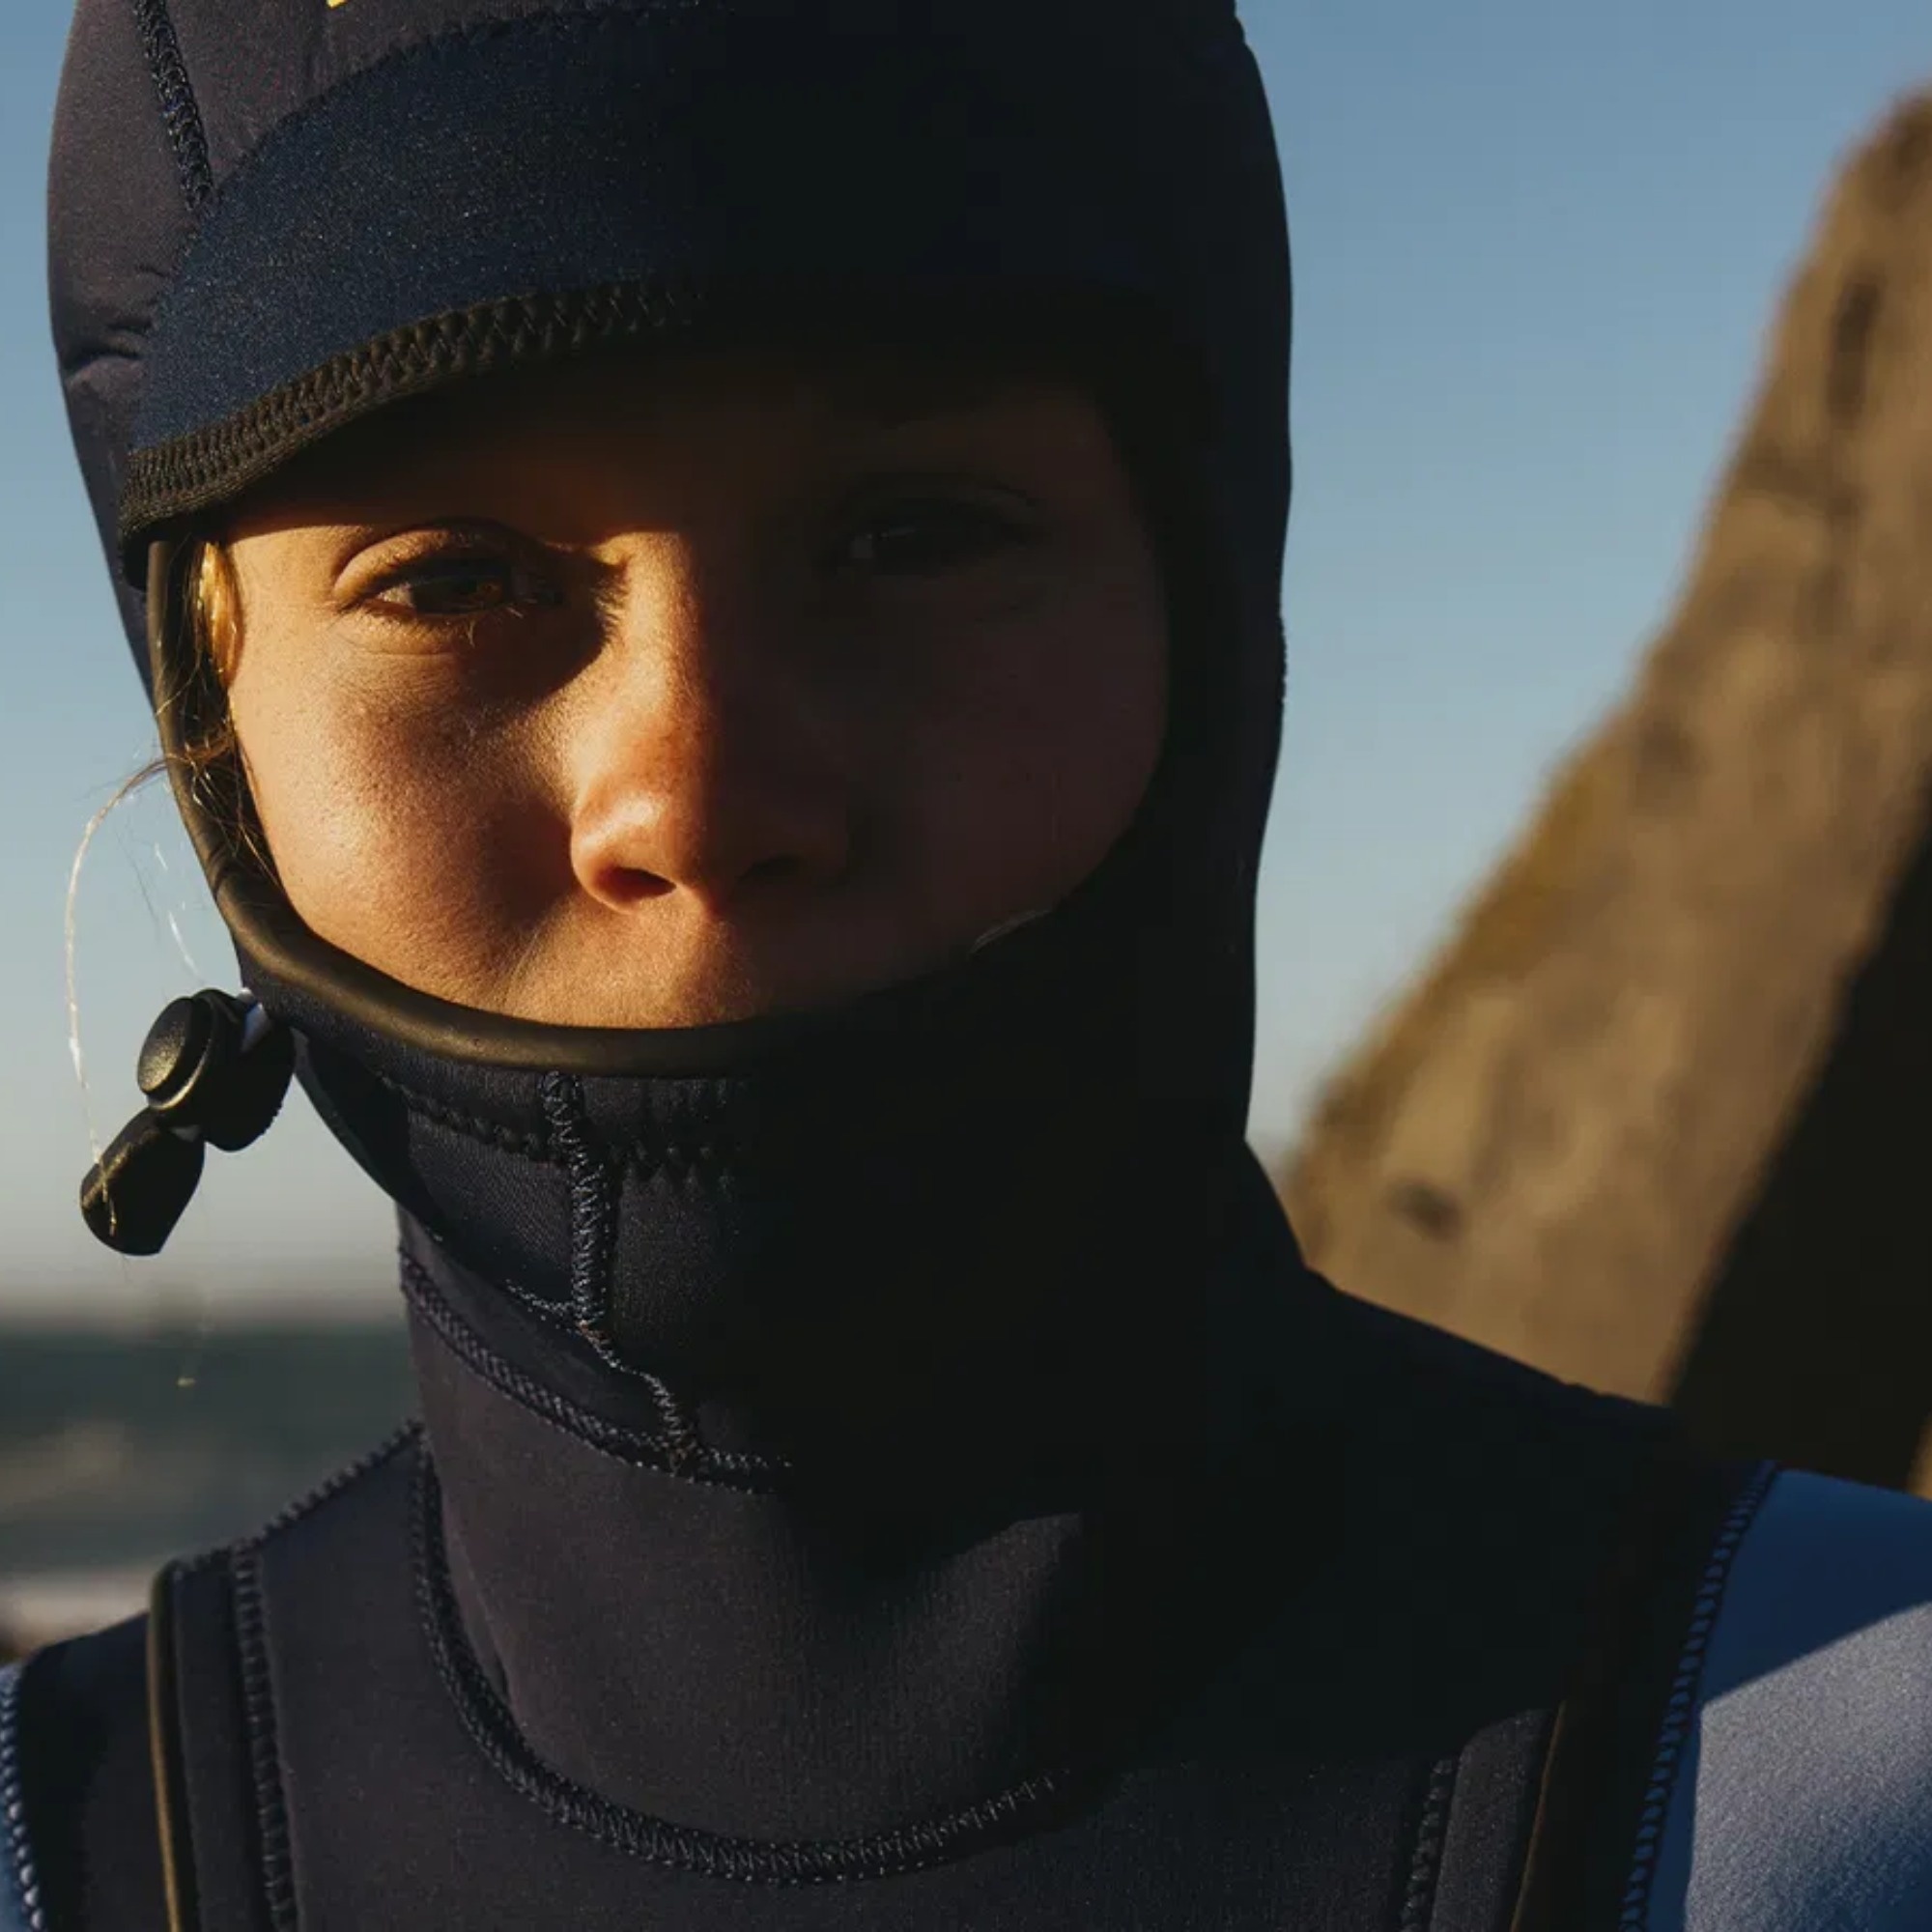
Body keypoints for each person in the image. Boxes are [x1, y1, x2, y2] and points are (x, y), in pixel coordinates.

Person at [7, 2, 1932, 1927]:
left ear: (1206, 602)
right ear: (208, 722)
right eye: (453, 581)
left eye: (911, 534)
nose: (696, 795)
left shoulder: (1875, 1765)